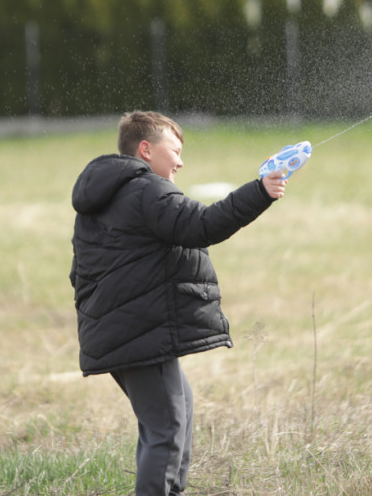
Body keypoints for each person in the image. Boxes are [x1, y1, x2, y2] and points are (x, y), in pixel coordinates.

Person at [70, 111, 287, 495]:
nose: (181, 162)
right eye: (175, 150)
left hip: (121, 330)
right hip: (138, 332)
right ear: (145, 149)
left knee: (174, 414)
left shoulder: (106, 197)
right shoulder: (147, 190)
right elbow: (201, 226)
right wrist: (260, 190)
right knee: (167, 427)